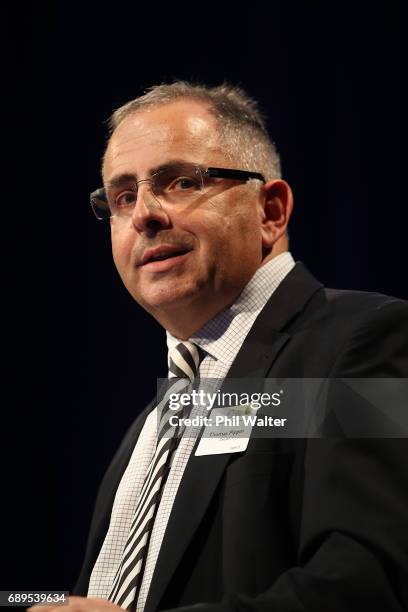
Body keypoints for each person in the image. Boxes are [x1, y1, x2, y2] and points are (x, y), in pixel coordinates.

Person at [56, 83, 408, 611]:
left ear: (271, 211)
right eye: (123, 197)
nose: (145, 214)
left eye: (181, 182)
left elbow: (369, 585)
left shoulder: (362, 341)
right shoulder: (160, 418)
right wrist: (21, 601)